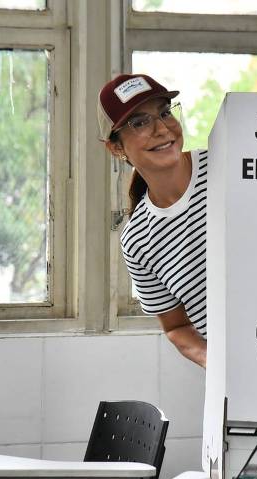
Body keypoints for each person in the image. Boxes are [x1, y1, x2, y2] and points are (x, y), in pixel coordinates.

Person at [98, 73, 207, 368]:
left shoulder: (232, 164)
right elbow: (176, 328)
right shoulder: (137, 241)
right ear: (116, 148)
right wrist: (220, 365)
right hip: (242, 388)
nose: (162, 128)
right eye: (139, 122)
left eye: (164, 112)